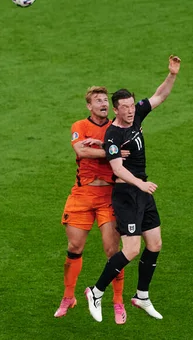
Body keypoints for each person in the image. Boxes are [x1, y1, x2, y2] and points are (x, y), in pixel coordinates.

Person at [84, 55, 182, 323]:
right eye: (124, 107)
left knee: (156, 243)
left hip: (142, 191)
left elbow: (159, 97)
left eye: (131, 106)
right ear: (116, 110)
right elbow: (117, 169)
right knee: (130, 250)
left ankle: (141, 295)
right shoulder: (113, 135)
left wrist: (172, 74)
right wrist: (140, 184)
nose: (130, 111)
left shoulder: (137, 113)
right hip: (127, 194)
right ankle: (95, 291)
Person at [54, 86, 130, 325]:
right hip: (82, 195)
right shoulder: (79, 126)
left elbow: (125, 154)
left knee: (113, 251)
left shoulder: (117, 127)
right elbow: (80, 150)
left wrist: (100, 147)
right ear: (89, 106)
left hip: (109, 195)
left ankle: (118, 301)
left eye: (105, 100)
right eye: (98, 100)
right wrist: (111, 150)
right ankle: (68, 297)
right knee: (74, 247)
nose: (103, 104)